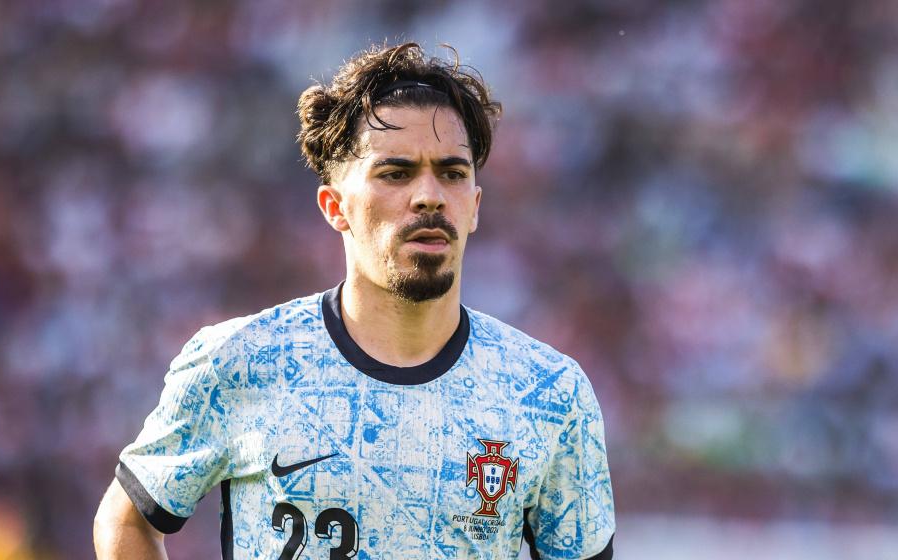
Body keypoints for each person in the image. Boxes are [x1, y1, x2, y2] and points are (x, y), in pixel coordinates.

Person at [93, 41, 615, 560]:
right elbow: (125, 521)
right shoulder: (242, 359)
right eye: (396, 173)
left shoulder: (549, 391)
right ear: (334, 206)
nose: (429, 196)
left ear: (474, 206)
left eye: (452, 173)